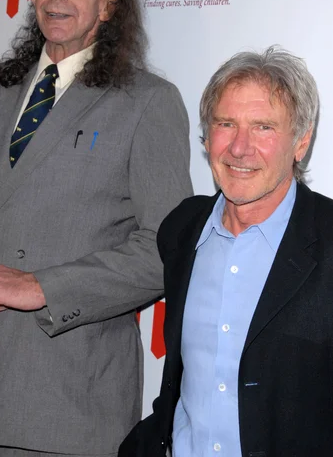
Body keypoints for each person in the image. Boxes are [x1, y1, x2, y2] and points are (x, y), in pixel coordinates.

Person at [0, 0, 193, 457]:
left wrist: (42, 286)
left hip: (74, 400)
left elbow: (167, 251)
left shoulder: (147, 102)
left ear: (109, 5)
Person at [119, 46, 333, 457]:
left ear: (301, 142)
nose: (239, 147)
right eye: (225, 123)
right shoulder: (182, 229)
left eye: (264, 127)